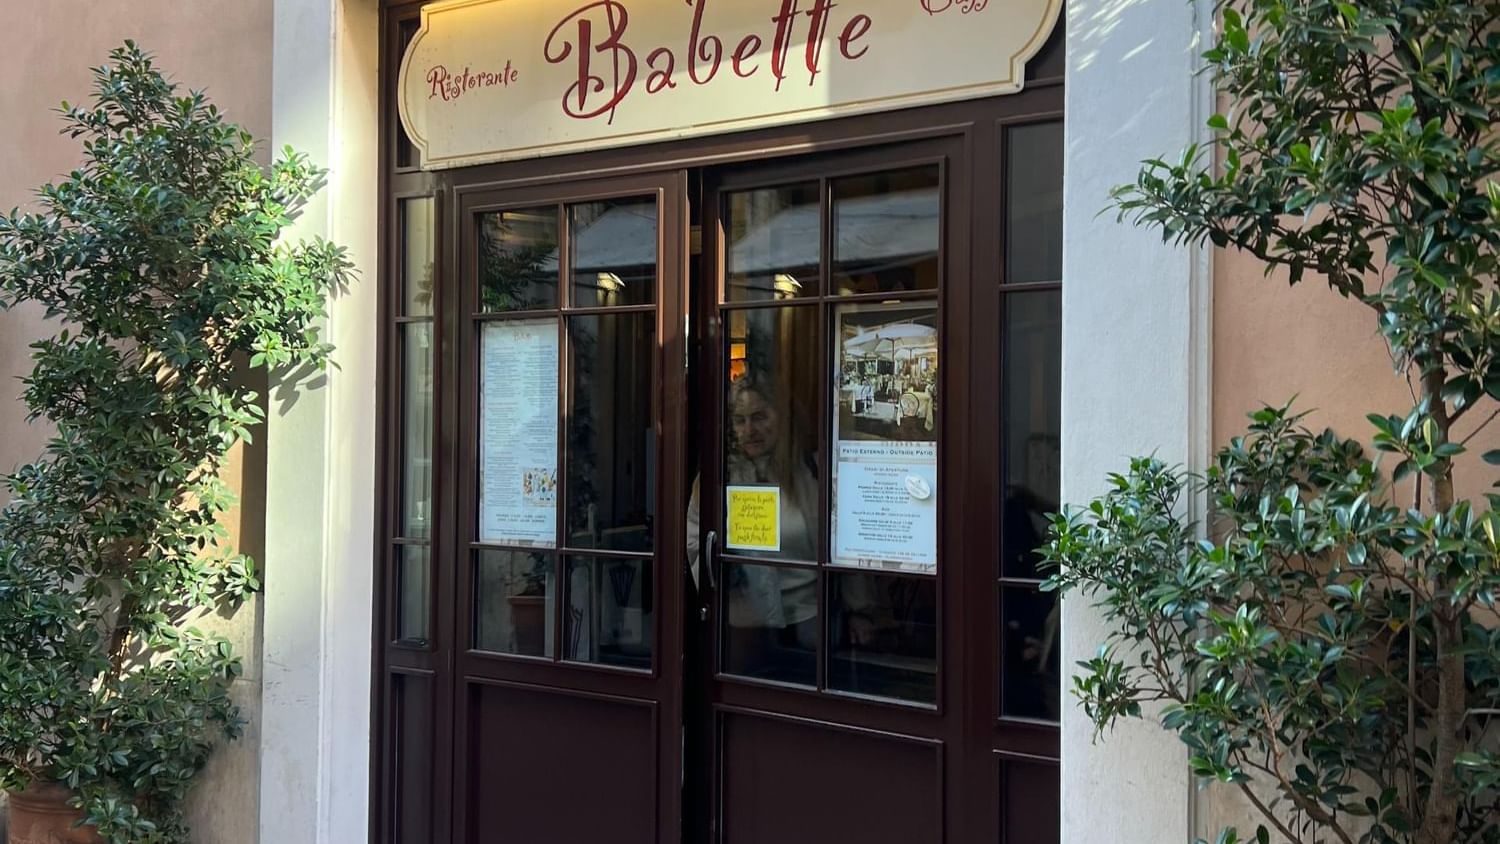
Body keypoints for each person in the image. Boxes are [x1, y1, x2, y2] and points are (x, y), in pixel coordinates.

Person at [686, 371, 818, 683]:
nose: (749, 430)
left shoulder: (811, 470)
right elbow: (695, 540)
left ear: (782, 417)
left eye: (759, 416)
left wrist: (861, 608)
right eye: (740, 420)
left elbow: (841, 541)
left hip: (811, 622)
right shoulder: (718, 476)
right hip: (743, 627)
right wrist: (722, 593)